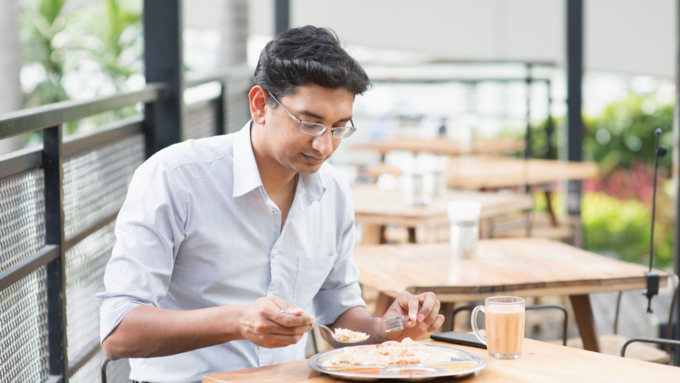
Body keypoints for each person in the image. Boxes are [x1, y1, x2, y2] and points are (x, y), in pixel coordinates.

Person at [96, 26, 444, 383]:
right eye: (310, 124)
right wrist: (238, 321)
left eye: (339, 128)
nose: (324, 146)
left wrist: (391, 327)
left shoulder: (334, 192)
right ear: (260, 105)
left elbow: (339, 318)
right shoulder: (175, 177)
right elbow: (119, 332)